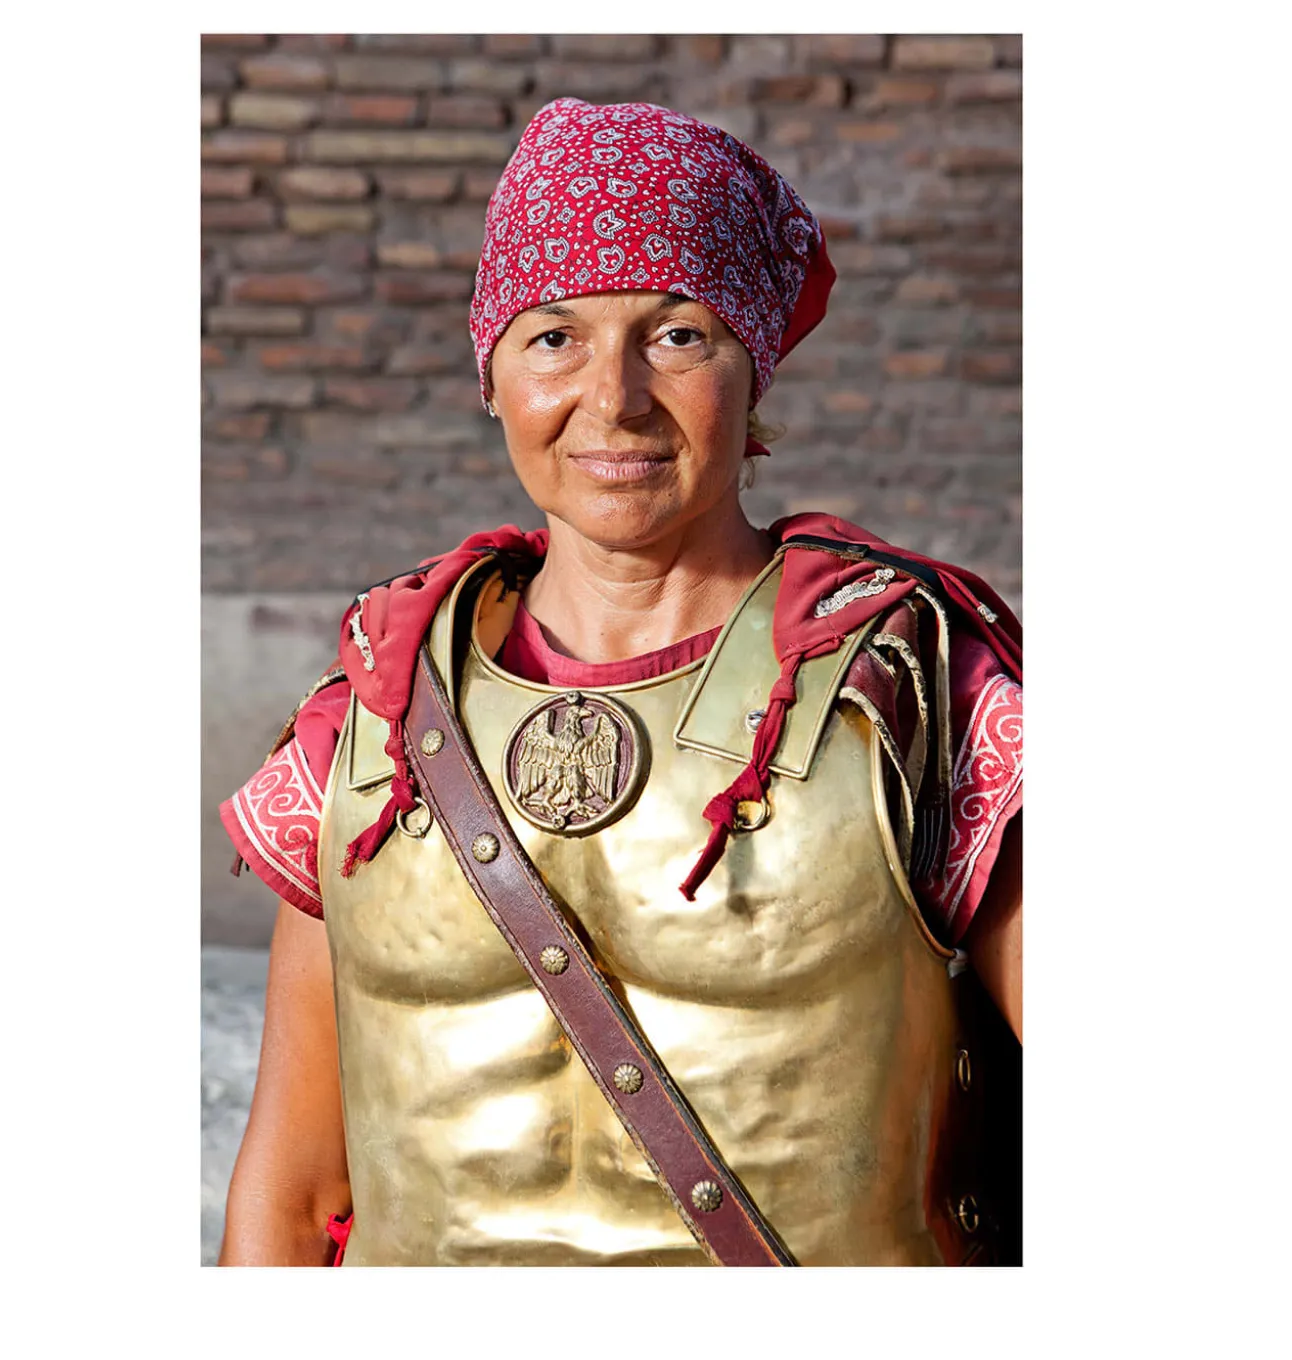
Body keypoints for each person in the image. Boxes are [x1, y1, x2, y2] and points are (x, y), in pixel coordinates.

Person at [217, 98, 1022, 1268]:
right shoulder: (377, 707)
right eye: (553, 337)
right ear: (491, 373)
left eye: (678, 335)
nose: (614, 398)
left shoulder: (916, 692)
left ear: (754, 369)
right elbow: (294, 1196)